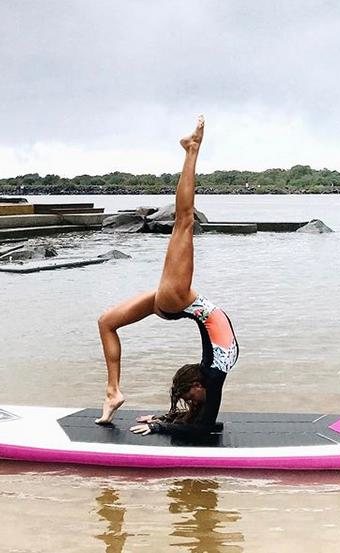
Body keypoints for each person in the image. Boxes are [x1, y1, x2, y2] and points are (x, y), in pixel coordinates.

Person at [95, 116, 239, 438]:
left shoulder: (211, 375)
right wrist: (167, 419)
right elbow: (205, 426)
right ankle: (112, 392)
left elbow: (205, 425)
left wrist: (161, 423)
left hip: (178, 301)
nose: (191, 401)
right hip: (178, 301)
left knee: (184, 221)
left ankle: (192, 150)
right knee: (106, 321)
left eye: (188, 397)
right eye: (190, 398)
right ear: (197, 384)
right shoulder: (211, 378)